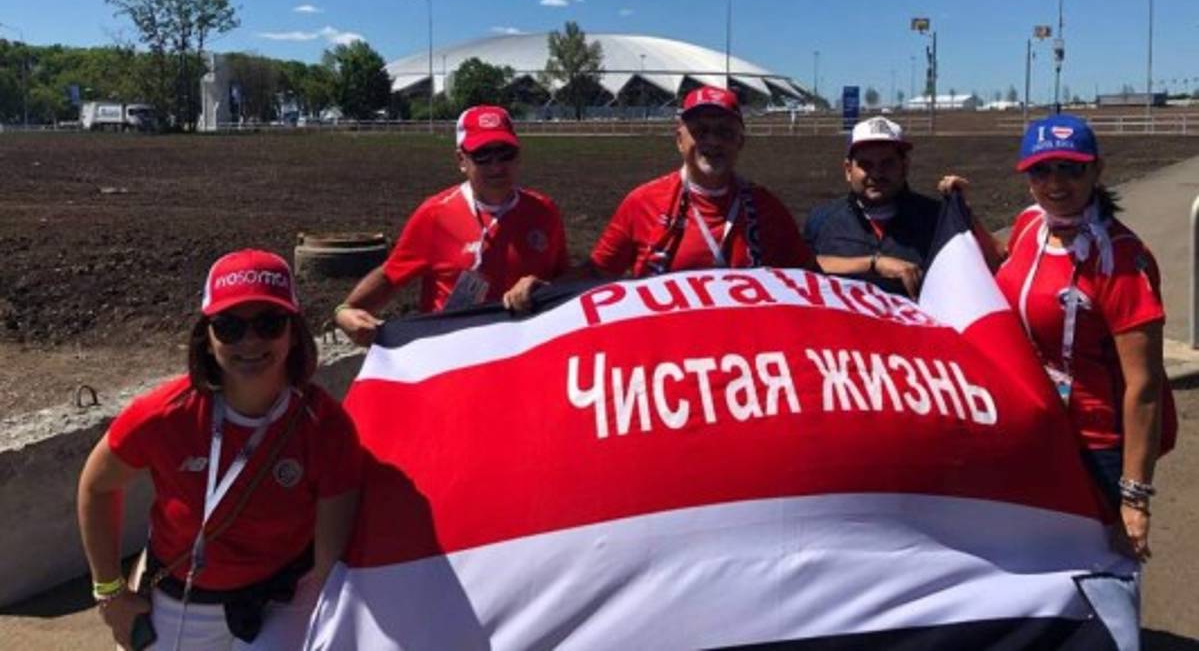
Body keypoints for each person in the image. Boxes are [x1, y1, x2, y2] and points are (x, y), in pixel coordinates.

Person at [78, 249, 362, 650]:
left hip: (282, 599)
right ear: (207, 338)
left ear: (294, 332)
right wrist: (109, 593)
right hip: (182, 598)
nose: (250, 342)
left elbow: (330, 557)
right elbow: (97, 486)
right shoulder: (163, 414)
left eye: (269, 323)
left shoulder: (325, 425)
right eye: (228, 327)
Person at [953, 114, 1167, 562]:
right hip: (1038, 430)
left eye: (1071, 168)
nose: (1055, 183)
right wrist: (963, 214)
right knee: (1041, 561)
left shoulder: (1120, 260)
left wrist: (1133, 497)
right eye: (1041, 169)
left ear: (1096, 170)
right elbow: (1005, 267)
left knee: (1106, 570)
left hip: (1097, 446)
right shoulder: (1033, 224)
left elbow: (1144, 387)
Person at [335, 105, 568, 344]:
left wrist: (543, 287)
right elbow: (391, 275)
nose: (497, 166)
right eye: (483, 155)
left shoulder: (544, 212)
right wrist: (346, 309)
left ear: (519, 155)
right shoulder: (436, 214)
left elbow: (565, 279)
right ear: (461, 160)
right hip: (453, 353)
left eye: (505, 153)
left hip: (522, 349)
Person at [588, 86, 816, 277]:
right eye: (700, 131)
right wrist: (552, 292)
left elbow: (807, 274)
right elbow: (597, 273)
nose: (713, 141)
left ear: (740, 141)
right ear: (679, 140)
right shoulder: (642, 203)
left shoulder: (767, 208)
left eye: (725, 132)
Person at [803, 116, 942, 298]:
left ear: (905, 166)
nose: (876, 174)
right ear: (848, 170)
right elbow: (802, 268)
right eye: (865, 165)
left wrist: (963, 213)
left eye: (887, 163)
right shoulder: (821, 220)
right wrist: (874, 264)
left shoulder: (937, 219)